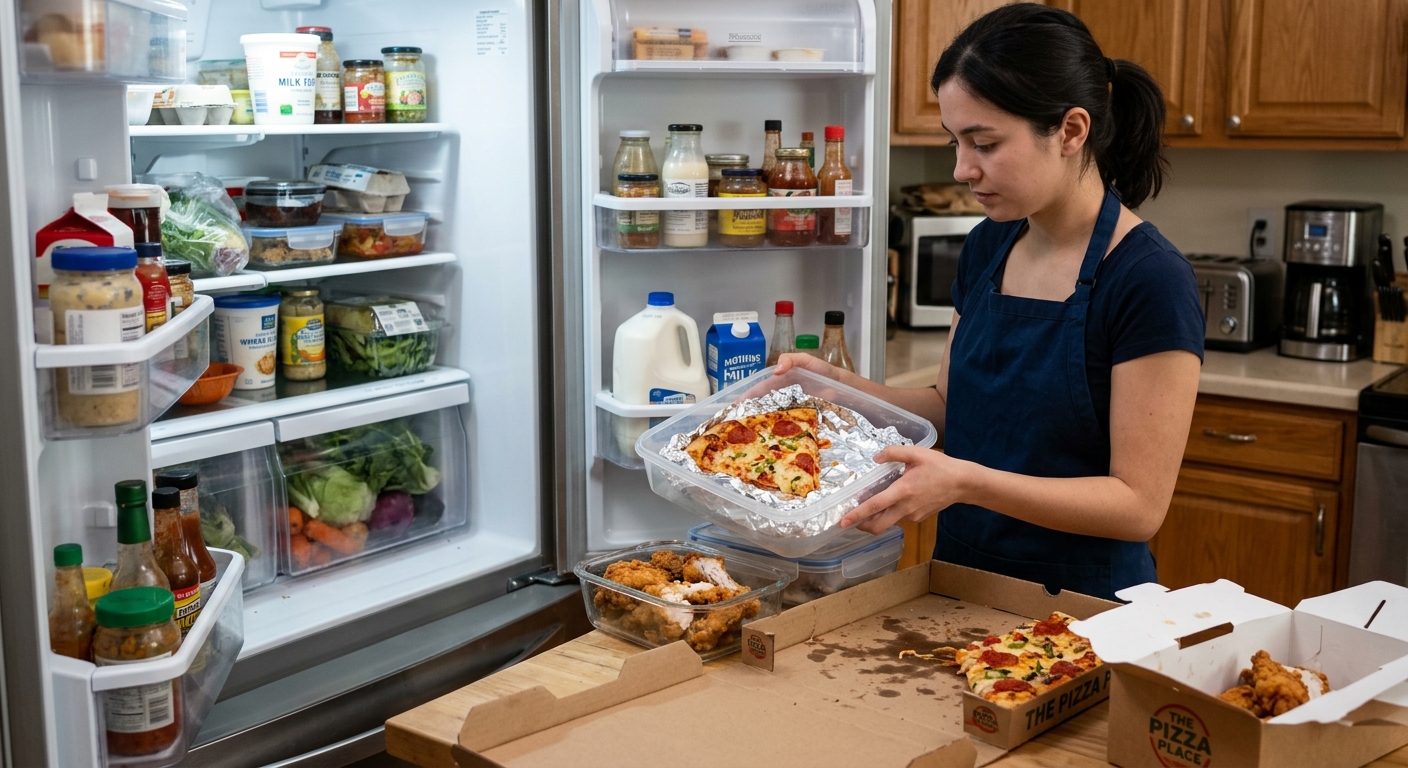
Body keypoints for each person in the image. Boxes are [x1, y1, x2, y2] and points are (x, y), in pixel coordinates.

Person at [775, 3, 1204, 601]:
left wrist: (966, 483)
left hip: (1084, 608)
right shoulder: (988, 246)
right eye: (955, 141)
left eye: (984, 142)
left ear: (1071, 132)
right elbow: (949, 409)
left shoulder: (1148, 279)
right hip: (958, 583)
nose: (961, 168)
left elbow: (1137, 507)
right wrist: (832, 388)